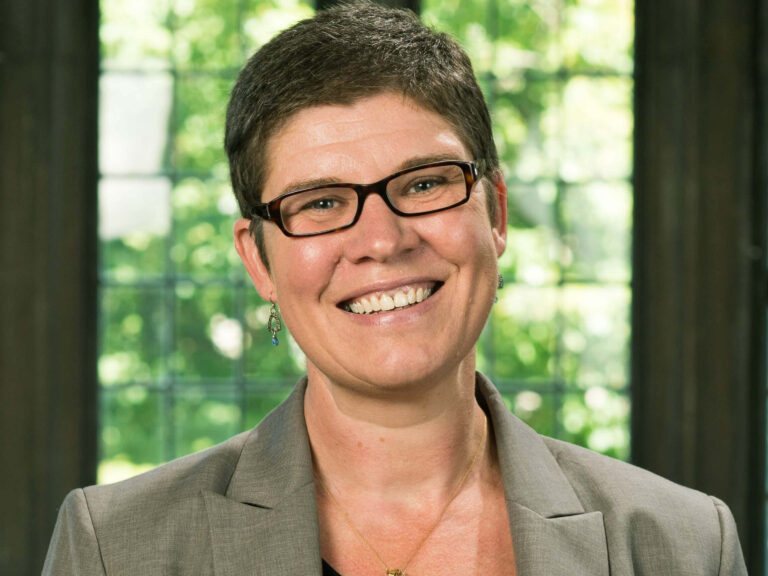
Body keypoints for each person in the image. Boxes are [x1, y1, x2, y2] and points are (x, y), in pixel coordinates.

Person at [43, 3, 747, 575]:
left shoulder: (684, 546)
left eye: (424, 184)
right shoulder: (113, 548)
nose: (383, 240)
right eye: (320, 202)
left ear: (495, 214)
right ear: (258, 259)